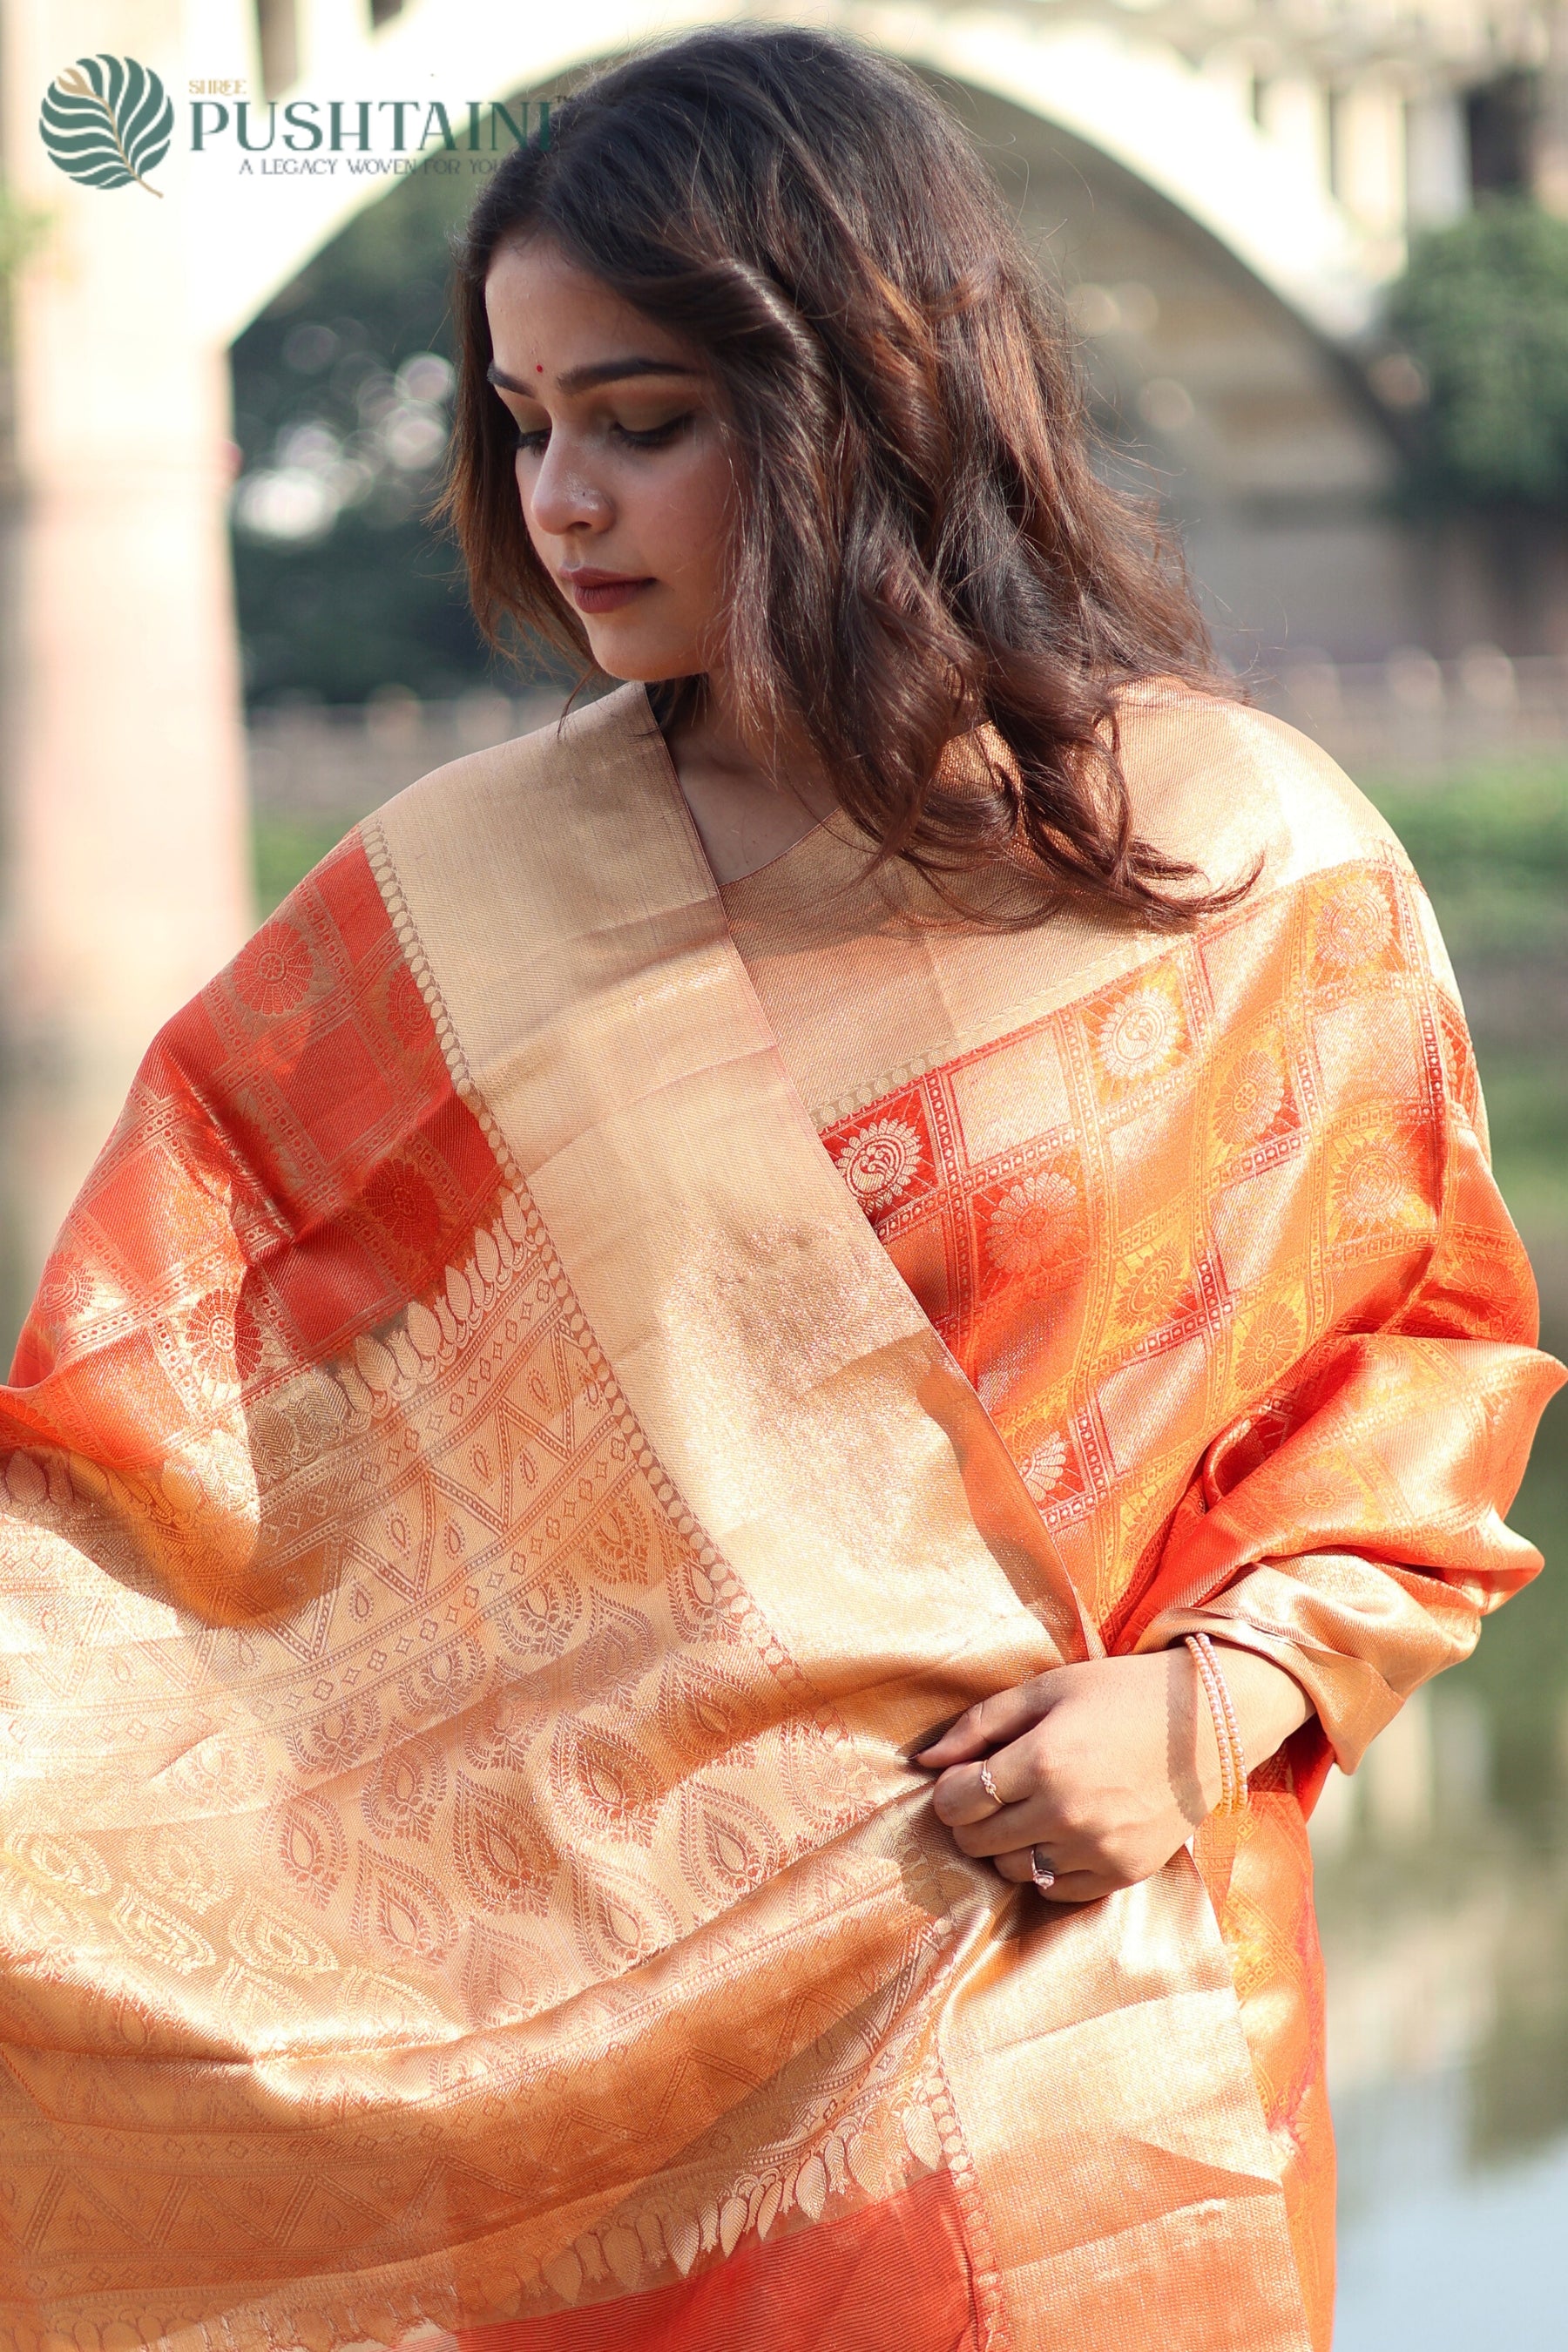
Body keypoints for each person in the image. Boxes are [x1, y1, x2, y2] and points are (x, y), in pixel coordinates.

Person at [1, 26, 1558, 2352]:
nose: (562, 502)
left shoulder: (1240, 864)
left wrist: (1221, 1700)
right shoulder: (447, 917)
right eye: (524, 426)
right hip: (611, 2084)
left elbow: (1419, 1358)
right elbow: (148, 1456)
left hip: (1092, 2015)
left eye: (641, 422)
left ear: (873, 395)